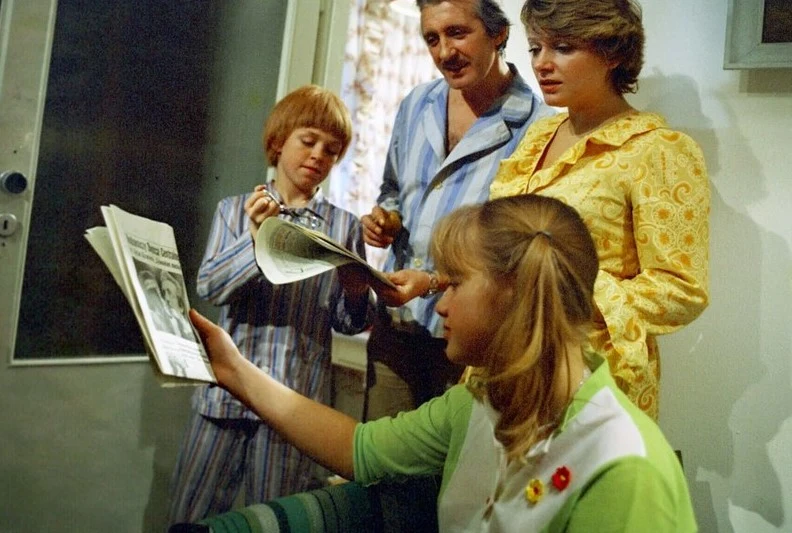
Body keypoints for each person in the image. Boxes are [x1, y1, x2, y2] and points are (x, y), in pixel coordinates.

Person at [189, 194, 697, 532]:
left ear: (513, 293)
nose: (440, 304)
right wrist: (233, 369)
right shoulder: (476, 404)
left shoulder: (624, 466)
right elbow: (357, 448)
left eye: (453, 283)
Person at [387, 0, 710, 420]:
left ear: (611, 53)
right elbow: (502, 254)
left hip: (587, 375)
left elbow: (682, 289)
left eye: (562, 47)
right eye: (537, 48)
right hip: (503, 364)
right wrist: (434, 280)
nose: (542, 63)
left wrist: (562, 294)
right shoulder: (538, 136)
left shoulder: (656, 150)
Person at [168, 85, 373, 524]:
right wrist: (259, 238)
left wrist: (357, 291)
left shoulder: (343, 225)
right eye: (308, 140)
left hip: (294, 402)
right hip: (223, 397)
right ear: (279, 141)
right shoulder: (235, 210)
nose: (318, 155)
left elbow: (348, 322)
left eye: (331, 150)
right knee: (191, 517)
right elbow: (212, 286)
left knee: (275, 520)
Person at [360, 0, 552, 420]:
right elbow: (393, 189)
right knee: (380, 471)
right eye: (433, 38)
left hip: (471, 344)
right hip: (395, 327)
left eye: (458, 33)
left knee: (447, 479)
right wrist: (385, 219)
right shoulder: (417, 104)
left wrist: (431, 282)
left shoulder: (538, 128)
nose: (444, 51)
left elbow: (513, 253)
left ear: (499, 35)